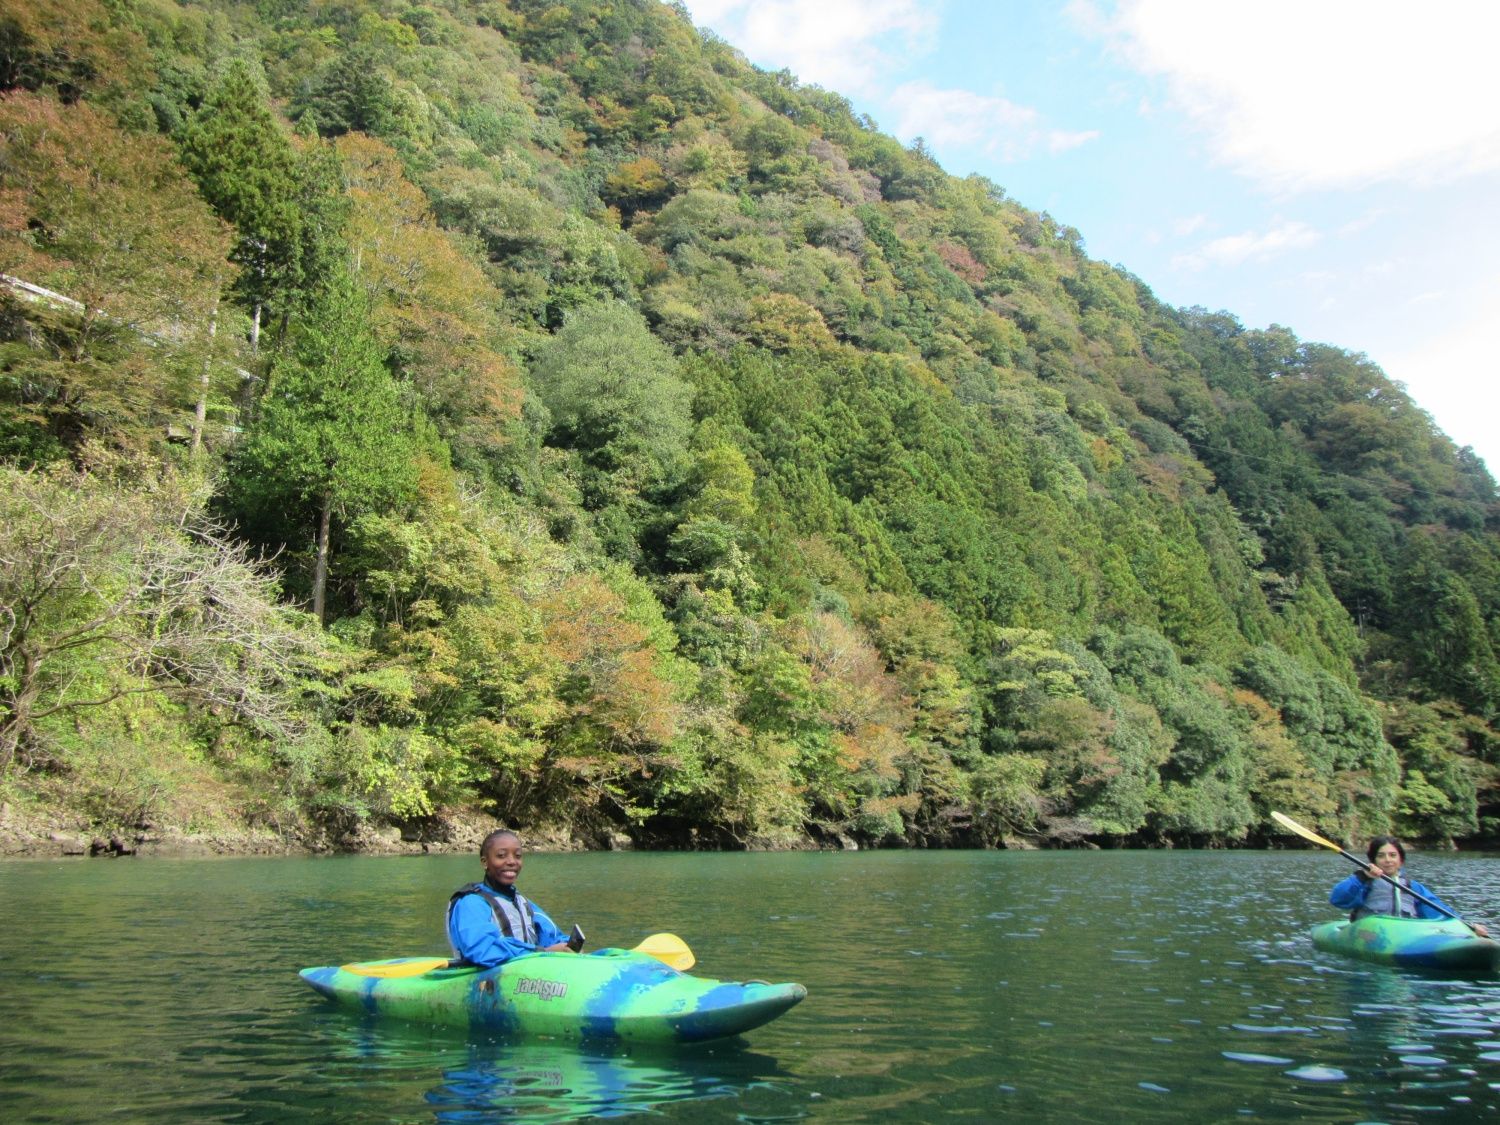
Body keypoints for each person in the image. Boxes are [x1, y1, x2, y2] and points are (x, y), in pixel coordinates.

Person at [447, 829, 577, 967]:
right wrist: (541, 952)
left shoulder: (522, 902)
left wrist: (569, 946)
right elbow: (482, 950)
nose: (511, 862)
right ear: (485, 862)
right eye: (501, 856)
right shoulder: (471, 903)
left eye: (518, 856)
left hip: (528, 971)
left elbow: (553, 936)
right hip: (487, 977)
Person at [1329, 835, 1489, 937]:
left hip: (1405, 935)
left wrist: (1468, 927)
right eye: (1381, 856)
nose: (1387, 860)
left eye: (1393, 855)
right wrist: (1362, 877)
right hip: (1370, 935)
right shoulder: (1363, 881)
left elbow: (1439, 910)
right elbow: (1338, 899)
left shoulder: (1412, 887)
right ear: (1373, 860)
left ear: (1401, 861)